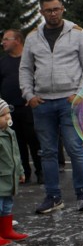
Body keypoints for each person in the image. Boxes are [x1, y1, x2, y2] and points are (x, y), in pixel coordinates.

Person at [19, 0, 83, 213]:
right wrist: (29, 95)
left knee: (75, 149)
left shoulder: (78, 33)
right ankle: (53, 197)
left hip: (69, 101)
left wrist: (80, 93)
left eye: (56, 8)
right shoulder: (33, 37)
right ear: (41, 12)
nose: (53, 13)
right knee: (48, 152)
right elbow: (24, 68)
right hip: (42, 103)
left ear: (63, 8)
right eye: (48, 10)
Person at [0, 29, 42, 184]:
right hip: (9, 111)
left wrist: (33, 96)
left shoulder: (31, 59)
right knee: (16, 143)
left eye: (6, 39)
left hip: (29, 108)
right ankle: (23, 173)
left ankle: (41, 172)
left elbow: (40, 79)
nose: (3, 42)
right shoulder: (2, 62)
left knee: (34, 140)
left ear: (17, 40)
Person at [0, 98, 28, 246]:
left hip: (9, 178)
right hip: (1, 178)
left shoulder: (10, 133)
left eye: (8, 114)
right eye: (2, 116)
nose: (8, 118)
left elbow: (16, 155)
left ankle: (6, 230)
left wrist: (20, 172)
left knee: (7, 205)